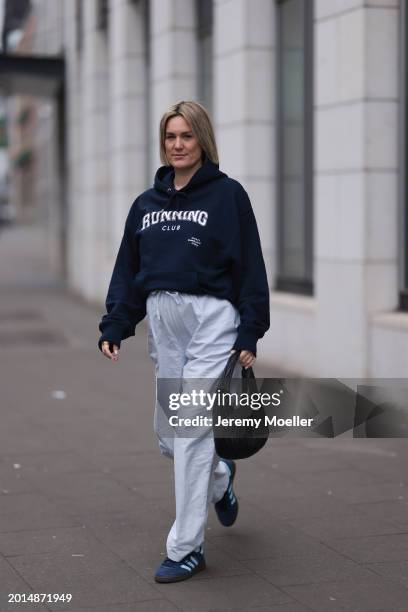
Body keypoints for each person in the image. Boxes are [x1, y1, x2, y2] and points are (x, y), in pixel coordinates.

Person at [98, 100, 270, 583]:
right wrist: (116, 323)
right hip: (163, 316)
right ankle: (220, 480)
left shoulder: (227, 196)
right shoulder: (145, 205)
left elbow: (251, 265)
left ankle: (186, 547)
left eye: (186, 136)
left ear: (202, 140)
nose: (177, 144)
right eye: (170, 137)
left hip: (212, 316)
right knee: (172, 437)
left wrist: (250, 329)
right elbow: (129, 271)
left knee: (192, 427)